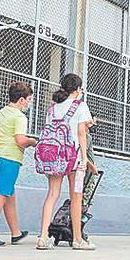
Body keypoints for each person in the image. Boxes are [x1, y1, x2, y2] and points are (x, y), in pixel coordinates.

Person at [36, 74, 98, 250]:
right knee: (76, 196)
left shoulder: (53, 108)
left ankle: (43, 237)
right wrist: (85, 158)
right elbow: (81, 134)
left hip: (54, 156)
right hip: (74, 157)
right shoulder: (80, 106)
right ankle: (77, 239)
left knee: (52, 194)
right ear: (78, 89)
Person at [0, 82, 37, 246]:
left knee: (9, 196)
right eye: (29, 100)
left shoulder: (1, 113)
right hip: (9, 159)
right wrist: (33, 142)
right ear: (22, 100)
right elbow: (20, 140)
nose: (29, 103)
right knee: (0, 196)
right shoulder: (19, 117)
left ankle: (15, 233)